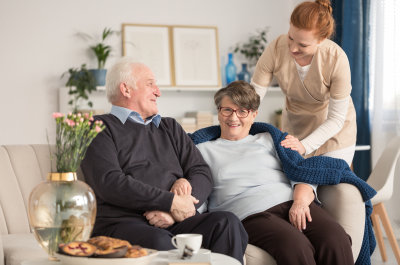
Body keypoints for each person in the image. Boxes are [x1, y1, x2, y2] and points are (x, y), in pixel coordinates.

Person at [80, 58, 248, 264]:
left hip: (174, 220)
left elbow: (201, 172)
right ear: (126, 89)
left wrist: (179, 210)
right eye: (150, 84)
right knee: (161, 244)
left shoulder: (169, 127)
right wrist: (170, 202)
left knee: (227, 222)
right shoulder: (96, 127)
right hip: (123, 223)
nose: (158, 92)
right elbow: (110, 182)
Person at [191, 81, 376, 265]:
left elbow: (301, 170)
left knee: (335, 237)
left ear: (254, 114)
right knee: (295, 245)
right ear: (219, 112)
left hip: (291, 203)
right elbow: (197, 188)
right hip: (249, 214)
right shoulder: (201, 149)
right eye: (227, 110)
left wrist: (300, 201)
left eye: (242, 111)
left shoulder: (269, 138)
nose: (234, 117)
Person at [251, 0, 356, 166]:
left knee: (326, 183)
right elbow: (253, 96)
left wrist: (305, 146)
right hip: (295, 126)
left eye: (303, 45)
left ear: (322, 40)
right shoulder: (276, 48)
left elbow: (336, 119)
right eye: (291, 38)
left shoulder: (336, 60)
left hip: (333, 131)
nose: (292, 48)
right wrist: (239, 122)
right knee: (293, 181)